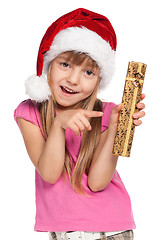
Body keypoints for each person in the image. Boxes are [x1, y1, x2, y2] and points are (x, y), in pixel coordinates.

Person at [14, 8, 146, 240]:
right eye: (65, 65)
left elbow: (97, 182)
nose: (73, 80)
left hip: (113, 230)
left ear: (98, 79)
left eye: (88, 72)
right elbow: (49, 173)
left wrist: (116, 128)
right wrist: (58, 125)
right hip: (63, 232)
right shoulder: (29, 112)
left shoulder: (106, 113)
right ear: (49, 64)